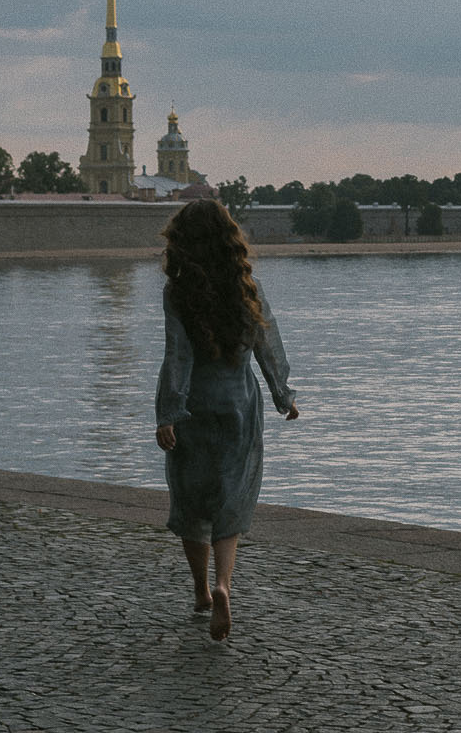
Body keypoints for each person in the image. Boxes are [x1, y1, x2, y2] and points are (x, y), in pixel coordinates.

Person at [154, 198, 298, 641]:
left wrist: (168, 413)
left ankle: (200, 591)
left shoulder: (178, 292)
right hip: (239, 402)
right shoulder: (245, 284)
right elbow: (267, 345)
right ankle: (223, 585)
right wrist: (282, 395)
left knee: (192, 497)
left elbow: (176, 357)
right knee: (230, 498)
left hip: (196, 403)